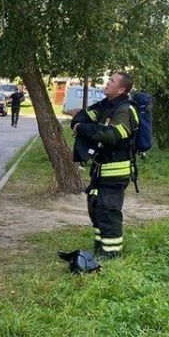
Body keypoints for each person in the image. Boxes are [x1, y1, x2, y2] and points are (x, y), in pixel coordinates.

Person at [60, 71, 138, 262]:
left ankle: (112, 254)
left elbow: (111, 135)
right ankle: (101, 248)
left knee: (108, 210)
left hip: (116, 171)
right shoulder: (105, 105)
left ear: (121, 89)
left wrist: (82, 129)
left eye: (111, 81)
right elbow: (83, 117)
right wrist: (80, 125)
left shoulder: (125, 109)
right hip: (100, 170)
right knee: (95, 207)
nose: (107, 82)